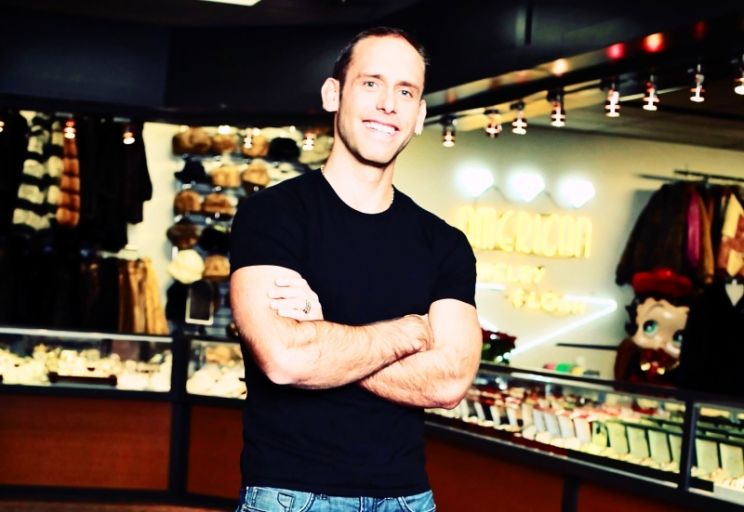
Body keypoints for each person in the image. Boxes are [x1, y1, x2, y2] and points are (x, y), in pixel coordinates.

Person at [229, 26, 482, 512]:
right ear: (333, 94)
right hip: (291, 496)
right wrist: (408, 333)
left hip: (407, 499)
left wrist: (324, 332)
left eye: (405, 92)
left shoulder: (445, 243)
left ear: (419, 115)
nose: (388, 104)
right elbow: (284, 359)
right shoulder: (273, 215)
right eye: (371, 83)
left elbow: (448, 382)